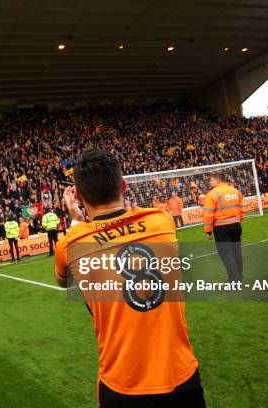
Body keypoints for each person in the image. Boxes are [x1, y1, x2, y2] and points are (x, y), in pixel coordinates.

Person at [54, 149, 204, 407]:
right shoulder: (162, 220)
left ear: (77, 195)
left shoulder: (71, 243)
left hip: (122, 384)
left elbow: (64, 280)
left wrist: (77, 222)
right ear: (123, 185)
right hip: (182, 376)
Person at [202, 172, 244, 282]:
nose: (209, 182)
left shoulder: (212, 194)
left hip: (222, 228)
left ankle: (234, 280)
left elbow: (208, 214)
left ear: (217, 181)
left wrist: (207, 231)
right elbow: (241, 209)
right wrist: (239, 222)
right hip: (236, 226)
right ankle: (239, 276)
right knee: (237, 253)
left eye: (211, 180)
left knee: (226, 255)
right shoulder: (236, 191)